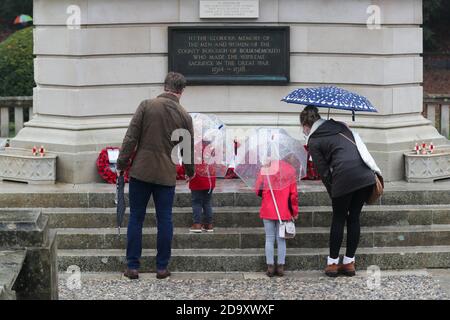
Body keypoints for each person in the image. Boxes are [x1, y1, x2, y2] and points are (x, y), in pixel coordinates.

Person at [117, 72, 195, 280]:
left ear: (164, 86)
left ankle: (133, 266)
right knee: (165, 220)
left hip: (141, 171)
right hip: (165, 174)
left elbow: (131, 137)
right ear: (181, 91)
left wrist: (122, 164)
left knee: (136, 218)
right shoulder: (185, 116)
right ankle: (161, 267)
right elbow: (187, 151)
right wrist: (190, 172)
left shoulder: (146, 105)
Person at [300, 105, 377, 277]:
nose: (303, 132)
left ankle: (333, 264)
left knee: (339, 218)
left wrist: (333, 193)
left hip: (344, 178)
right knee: (354, 217)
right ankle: (349, 263)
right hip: (365, 177)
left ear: (306, 125)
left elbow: (324, 173)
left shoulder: (313, 140)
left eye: (302, 128)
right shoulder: (341, 126)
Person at [255, 159, 299, 277]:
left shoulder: (265, 168)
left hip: (268, 209)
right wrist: (294, 211)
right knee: (281, 239)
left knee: (269, 238)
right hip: (283, 210)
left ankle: (270, 266)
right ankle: (280, 266)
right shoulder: (289, 169)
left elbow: (258, 190)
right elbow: (293, 194)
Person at [189, 138, 216, 233]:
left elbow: (189, 162)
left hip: (197, 178)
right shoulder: (213, 147)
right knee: (207, 202)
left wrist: (187, 174)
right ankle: (209, 225)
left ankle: (197, 224)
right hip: (210, 179)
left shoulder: (195, 146)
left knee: (196, 202)